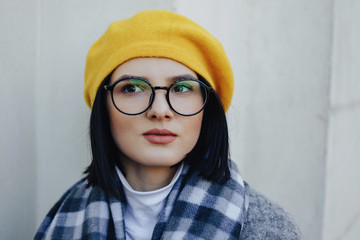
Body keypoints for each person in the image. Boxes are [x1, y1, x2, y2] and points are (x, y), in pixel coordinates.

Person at [35, 10, 301, 240]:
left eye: (182, 88)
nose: (160, 111)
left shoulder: (265, 227)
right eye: (132, 88)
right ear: (103, 107)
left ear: (207, 109)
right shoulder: (63, 217)